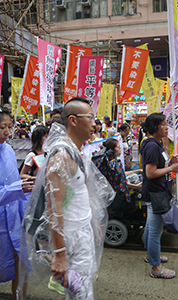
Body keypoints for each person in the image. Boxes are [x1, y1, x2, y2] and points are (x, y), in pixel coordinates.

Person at [19, 97, 114, 300]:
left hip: (82, 230)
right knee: (79, 291)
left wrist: (92, 220)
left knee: (84, 284)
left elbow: (83, 192)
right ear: (73, 120)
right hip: (71, 237)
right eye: (90, 117)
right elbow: (54, 208)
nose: (95, 123)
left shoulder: (77, 151)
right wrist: (60, 254)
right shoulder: (61, 156)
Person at [140, 113, 178, 279]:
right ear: (155, 127)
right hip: (156, 195)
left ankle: (151, 255)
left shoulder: (156, 144)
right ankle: (156, 268)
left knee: (150, 228)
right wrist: (171, 169)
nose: (166, 127)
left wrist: (170, 162)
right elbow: (151, 173)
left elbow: (158, 167)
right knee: (155, 232)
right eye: (163, 124)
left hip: (157, 192)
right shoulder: (151, 146)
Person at [0, 106, 34, 300]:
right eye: (3, 127)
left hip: (13, 219)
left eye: (10, 126)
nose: (7, 132)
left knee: (20, 263)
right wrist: (16, 190)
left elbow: (13, 184)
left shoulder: (9, 152)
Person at [92, 138, 142, 216]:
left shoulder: (109, 161)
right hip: (118, 196)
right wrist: (136, 186)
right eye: (118, 147)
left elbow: (122, 175)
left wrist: (137, 171)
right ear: (112, 150)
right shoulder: (113, 164)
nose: (120, 150)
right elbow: (120, 183)